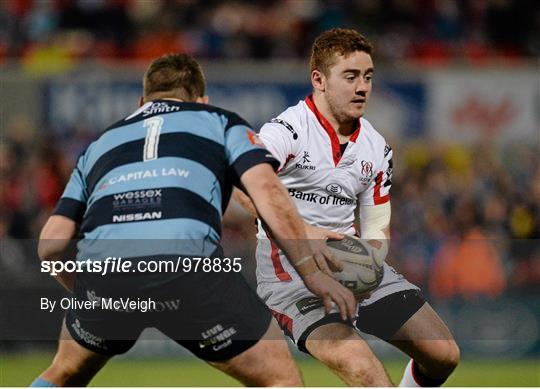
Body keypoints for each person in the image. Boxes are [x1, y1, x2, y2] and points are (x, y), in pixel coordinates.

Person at [31, 53, 356, 387]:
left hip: (106, 271)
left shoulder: (97, 147)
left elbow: (51, 244)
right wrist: (312, 273)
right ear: (202, 100)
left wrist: (93, 291)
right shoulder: (218, 121)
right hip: (186, 265)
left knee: (65, 372)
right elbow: (267, 192)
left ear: (142, 102)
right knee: (280, 380)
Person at [235, 28, 460, 387]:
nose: (362, 87)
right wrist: (306, 235)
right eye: (351, 76)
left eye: (368, 77)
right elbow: (243, 184)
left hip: (350, 265)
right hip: (291, 278)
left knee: (444, 355)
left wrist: (368, 262)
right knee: (366, 373)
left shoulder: (376, 146)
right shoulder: (288, 131)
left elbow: (376, 226)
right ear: (319, 80)